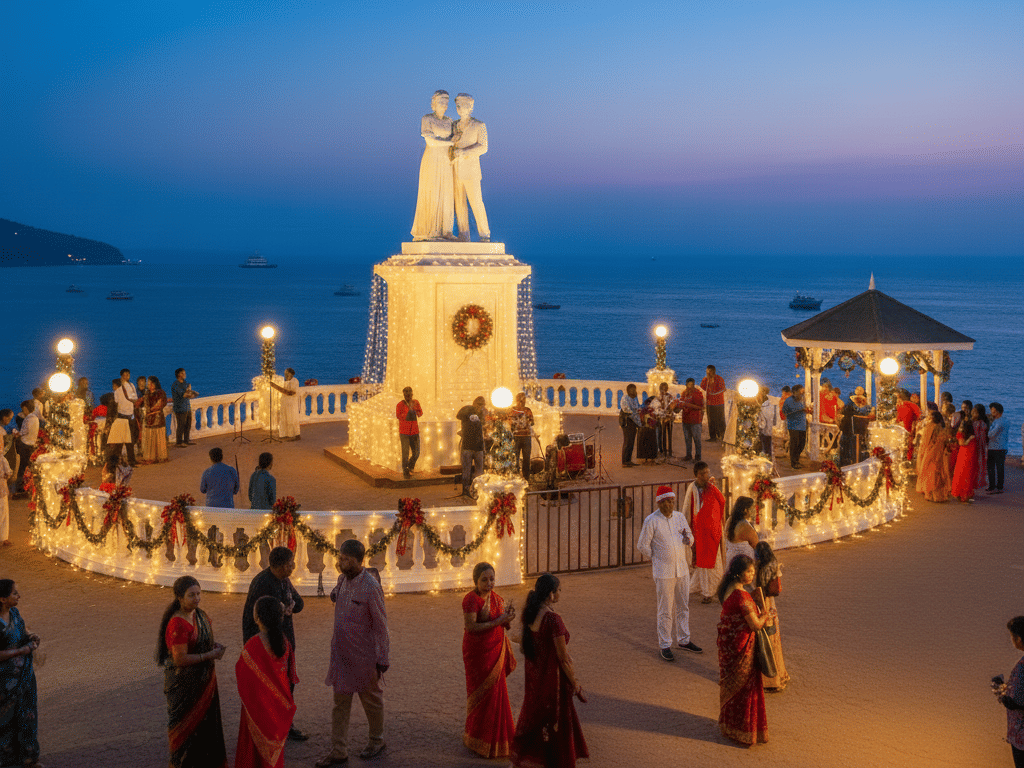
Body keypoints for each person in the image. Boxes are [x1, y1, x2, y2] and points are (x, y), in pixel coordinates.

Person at [318, 539, 389, 767]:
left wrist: (383, 658)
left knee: (371, 701)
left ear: (360, 561)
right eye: (340, 558)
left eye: (346, 560)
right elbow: (338, 595)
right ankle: (339, 750)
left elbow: (381, 626)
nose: (341, 563)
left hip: (365, 657)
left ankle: (376, 740)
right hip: (340, 654)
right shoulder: (342, 580)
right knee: (340, 704)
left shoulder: (371, 587)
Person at [510, 574, 588, 768]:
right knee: (554, 720)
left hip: (534, 676)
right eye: (559, 590)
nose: (560, 593)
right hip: (552, 679)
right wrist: (576, 685)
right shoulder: (553, 620)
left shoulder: (531, 612)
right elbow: (562, 658)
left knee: (534, 716)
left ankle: (529, 758)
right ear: (551, 594)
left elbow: (526, 641)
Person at [156, 575, 228, 768]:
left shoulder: (200, 615)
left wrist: (213, 646)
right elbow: (179, 659)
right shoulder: (177, 623)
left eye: (198, 594)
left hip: (204, 681)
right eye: (191, 595)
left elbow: (199, 641)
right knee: (186, 729)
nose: (196, 598)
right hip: (185, 684)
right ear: (180, 598)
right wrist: (209, 655)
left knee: (205, 727)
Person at [242, 546, 306, 743]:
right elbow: (264, 617)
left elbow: (299, 603)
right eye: (289, 564)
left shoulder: (283, 580)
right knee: (272, 687)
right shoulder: (263, 584)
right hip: (268, 646)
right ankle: (272, 727)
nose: (293, 567)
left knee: (286, 685)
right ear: (278, 566)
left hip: (283, 643)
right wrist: (283, 611)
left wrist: (289, 607)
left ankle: (285, 724)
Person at [636, 486, 701, 660]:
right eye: (667, 502)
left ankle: (684, 639)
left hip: (682, 569)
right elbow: (642, 545)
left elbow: (690, 535)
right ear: (660, 503)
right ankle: (665, 644)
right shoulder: (651, 521)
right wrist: (657, 556)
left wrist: (689, 540)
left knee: (683, 606)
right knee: (665, 609)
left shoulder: (679, 517)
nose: (671, 505)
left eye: (672, 501)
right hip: (664, 572)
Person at [462, 562, 517, 758]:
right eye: (484, 580)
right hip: (477, 653)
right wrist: (498, 621)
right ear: (476, 581)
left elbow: (503, 626)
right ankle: (478, 738)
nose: (489, 583)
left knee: (496, 693)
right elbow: (471, 627)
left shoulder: (497, 599)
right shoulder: (470, 600)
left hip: (495, 650)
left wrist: (507, 619)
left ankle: (497, 740)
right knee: (481, 694)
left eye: (492, 579)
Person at [716, 555, 772, 746]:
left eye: (753, 571)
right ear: (739, 572)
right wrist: (765, 614)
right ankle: (743, 730)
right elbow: (755, 626)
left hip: (728, 647)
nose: (752, 574)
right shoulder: (742, 596)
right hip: (742, 648)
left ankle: (729, 726)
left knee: (730, 687)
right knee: (745, 689)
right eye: (749, 571)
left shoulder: (727, 590)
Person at [236, 596, 297, 768]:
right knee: (274, 754)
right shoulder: (285, 643)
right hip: (279, 707)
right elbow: (290, 675)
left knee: (254, 752)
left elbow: (242, 677)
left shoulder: (252, 646)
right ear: (281, 617)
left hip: (257, 709)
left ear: (256, 618)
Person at [0, 579, 41, 768]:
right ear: (2, 599)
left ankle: (28, 758)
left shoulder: (14, 613)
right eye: (14, 593)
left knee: (27, 715)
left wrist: (30, 637)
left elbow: (21, 632)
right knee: (6, 721)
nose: (18, 596)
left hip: (23, 676)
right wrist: (20, 651)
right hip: (5, 681)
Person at [411, 90, 455, 241]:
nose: (444, 104)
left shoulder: (450, 121)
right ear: (434, 103)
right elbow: (430, 141)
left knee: (447, 194)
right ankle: (431, 231)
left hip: (446, 160)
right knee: (433, 192)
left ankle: (446, 230)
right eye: (441, 101)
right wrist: (450, 142)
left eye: (446, 101)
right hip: (432, 159)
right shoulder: (427, 119)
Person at [682, 462, 727, 604]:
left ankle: (705, 589)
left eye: (707, 473)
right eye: (702, 474)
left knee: (711, 563)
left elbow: (721, 503)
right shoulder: (692, 489)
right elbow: (687, 509)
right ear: (696, 475)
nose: (705, 476)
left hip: (713, 532)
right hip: (699, 533)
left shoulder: (713, 488)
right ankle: (707, 592)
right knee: (703, 563)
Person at [451, 93, 491, 242]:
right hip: (455, 169)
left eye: (463, 104)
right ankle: (463, 234)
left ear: (471, 107)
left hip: (471, 169)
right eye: (458, 105)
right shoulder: (453, 126)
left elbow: (484, 147)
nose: (460, 108)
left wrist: (464, 152)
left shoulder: (479, 125)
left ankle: (484, 234)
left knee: (476, 202)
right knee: (459, 204)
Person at [754, 541, 789, 692]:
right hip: (772, 604)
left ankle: (769, 681)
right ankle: (780, 675)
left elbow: (758, 588)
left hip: (763, 604)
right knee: (774, 641)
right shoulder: (774, 564)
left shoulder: (760, 568)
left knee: (765, 642)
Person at [994, 615, 1024, 767]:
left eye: (1012, 636)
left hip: (1021, 735)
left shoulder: (1022, 666)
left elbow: (1018, 701)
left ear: (1018, 639)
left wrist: (1010, 702)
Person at [915, 411, 951, 503]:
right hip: (938, 452)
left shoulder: (930, 426)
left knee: (929, 471)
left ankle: (929, 494)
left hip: (931, 451)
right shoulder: (942, 427)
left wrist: (922, 453)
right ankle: (936, 495)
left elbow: (925, 441)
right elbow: (944, 440)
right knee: (936, 472)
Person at [457, 396, 487, 498]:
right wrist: (471, 411)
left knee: (479, 471)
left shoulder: (483, 413)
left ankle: (476, 491)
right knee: (466, 470)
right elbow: (458, 416)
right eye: (479, 404)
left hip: (478, 446)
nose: (480, 406)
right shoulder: (467, 409)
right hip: (467, 446)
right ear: (474, 403)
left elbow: (485, 424)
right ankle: (465, 490)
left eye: (482, 404)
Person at [12, 401, 39, 495]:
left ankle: (20, 488)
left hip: (25, 445)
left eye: (24, 409)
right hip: (32, 445)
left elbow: (22, 432)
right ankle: (29, 486)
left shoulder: (28, 418)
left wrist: (14, 432)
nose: (23, 411)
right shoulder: (35, 418)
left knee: (22, 467)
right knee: (29, 467)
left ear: (26, 409)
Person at [781, 384, 811, 469]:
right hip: (793, 425)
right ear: (795, 392)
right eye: (801, 392)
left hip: (802, 425)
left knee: (802, 444)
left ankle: (797, 459)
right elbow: (784, 412)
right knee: (794, 444)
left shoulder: (802, 400)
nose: (802, 394)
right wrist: (798, 411)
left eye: (803, 392)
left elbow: (803, 410)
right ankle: (794, 462)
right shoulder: (788, 400)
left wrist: (807, 411)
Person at [113, 372, 139, 466]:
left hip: (126, 415)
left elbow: (116, 401)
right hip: (125, 415)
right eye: (124, 375)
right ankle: (128, 461)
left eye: (127, 375)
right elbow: (134, 398)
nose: (126, 377)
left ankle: (125, 461)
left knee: (127, 439)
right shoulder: (122, 389)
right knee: (126, 439)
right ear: (121, 376)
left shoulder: (130, 386)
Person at [396, 387, 422, 479]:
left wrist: (415, 409)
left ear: (412, 393)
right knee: (405, 453)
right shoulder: (400, 404)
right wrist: (407, 413)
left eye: (409, 392)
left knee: (417, 453)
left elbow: (420, 413)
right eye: (406, 392)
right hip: (404, 432)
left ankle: (410, 466)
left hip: (415, 432)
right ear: (403, 394)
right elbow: (398, 416)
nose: (408, 394)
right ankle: (405, 471)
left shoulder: (416, 402)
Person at [725, 496, 759, 566]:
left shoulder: (730, 520)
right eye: (752, 508)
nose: (755, 511)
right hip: (742, 563)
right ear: (746, 510)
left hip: (729, 558)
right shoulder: (745, 526)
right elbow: (756, 545)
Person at [142, 375, 169, 464]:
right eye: (148, 383)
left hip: (158, 417)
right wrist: (153, 409)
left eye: (151, 383)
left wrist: (153, 409)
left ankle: (161, 456)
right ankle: (151, 457)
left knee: (159, 437)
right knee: (150, 438)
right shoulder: (147, 394)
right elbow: (147, 406)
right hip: (150, 418)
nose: (149, 385)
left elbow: (162, 403)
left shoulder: (161, 393)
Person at [268, 368, 300, 440]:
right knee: (284, 418)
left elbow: (290, 393)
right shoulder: (285, 381)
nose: (285, 374)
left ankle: (294, 435)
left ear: (290, 374)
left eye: (287, 373)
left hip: (291, 403)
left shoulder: (294, 381)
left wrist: (275, 386)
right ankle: (285, 434)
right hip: (285, 402)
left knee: (291, 419)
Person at [951, 419, 978, 503]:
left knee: (965, 473)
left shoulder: (969, 435)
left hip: (967, 456)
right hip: (965, 456)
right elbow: (962, 443)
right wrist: (969, 439)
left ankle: (964, 493)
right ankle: (963, 493)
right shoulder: (963, 434)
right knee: (964, 473)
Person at [510, 392, 534, 481]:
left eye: (524, 400)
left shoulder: (527, 410)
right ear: (517, 400)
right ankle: (516, 477)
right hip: (516, 437)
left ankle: (526, 477)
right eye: (522, 399)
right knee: (515, 458)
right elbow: (511, 423)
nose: (523, 401)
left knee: (526, 458)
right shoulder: (513, 410)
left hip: (526, 437)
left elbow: (532, 422)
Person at [679, 377, 704, 462]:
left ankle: (698, 456)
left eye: (692, 385)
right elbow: (681, 403)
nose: (690, 386)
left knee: (697, 439)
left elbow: (701, 407)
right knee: (687, 439)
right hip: (686, 419)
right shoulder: (684, 393)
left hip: (695, 420)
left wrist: (689, 405)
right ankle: (688, 455)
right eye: (689, 385)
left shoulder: (698, 393)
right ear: (686, 385)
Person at [171, 368, 198, 447]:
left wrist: (191, 392)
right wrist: (189, 391)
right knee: (181, 425)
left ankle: (186, 440)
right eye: (183, 373)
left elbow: (189, 394)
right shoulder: (175, 385)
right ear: (179, 375)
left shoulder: (185, 383)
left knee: (188, 425)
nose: (185, 374)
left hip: (187, 407)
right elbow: (184, 394)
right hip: (179, 408)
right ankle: (179, 442)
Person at [701, 365, 727, 442]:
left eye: (709, 372)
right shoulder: (706, 379)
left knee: (720, 420)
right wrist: (706, 379)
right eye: (707, 372)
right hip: (710, 403)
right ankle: (713, 437)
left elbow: (723, 389)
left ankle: (722, 436)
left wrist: (714, 393)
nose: (708, 373)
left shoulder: (719, 379)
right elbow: (702, 386)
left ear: (713, 371)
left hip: (719, 403)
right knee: (711, 421)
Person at [987, 403, 1008, 494]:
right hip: (999, 447)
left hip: (997, 447)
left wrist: (989, 427)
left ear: (998, 412)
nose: (992, 413)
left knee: (994, 467)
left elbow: (991, 434)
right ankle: (997, 486)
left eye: (993, 411)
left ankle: (995, 486)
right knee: (998, 467)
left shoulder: (999, 422)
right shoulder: (1004, 421)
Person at [896, 389, 922, 461]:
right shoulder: (901, 406)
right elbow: (899, 418)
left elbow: (919, 416)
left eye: (898, 398)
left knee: (908, 446)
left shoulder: (908, 406)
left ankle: (908, 460)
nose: (897, 400)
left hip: (909, 431)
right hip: (905, 430)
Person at [619, 383, 641, 467]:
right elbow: (626, 409)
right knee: (627, 441)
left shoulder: (635, 398)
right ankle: (624, 461)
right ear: (628, 390)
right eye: (632, 389)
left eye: (634, 389)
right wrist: (636, 412)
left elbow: (637, 406)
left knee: (632, 441)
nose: (634, 391)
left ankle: (629, 460)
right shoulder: (625, 398)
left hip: (633, 421)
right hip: (627, 421)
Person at [636, 396, 659, 465]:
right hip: (648, 428)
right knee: (651, 443)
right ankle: (650, 459)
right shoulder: (649, 410)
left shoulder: (646, 409)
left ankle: (646, 459)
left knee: (647, 444)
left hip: (646, 428)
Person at [655, 381, 675, 458]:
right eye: (662, 388)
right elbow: (656, 408)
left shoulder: (669, 397)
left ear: (667, 389)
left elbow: (672, 407)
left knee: (669, 435)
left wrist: (668, 414)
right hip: (660, 419)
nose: (663, 390)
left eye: (665, 388)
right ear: (660, 389)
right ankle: (661, 450)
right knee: (660, 435)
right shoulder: (658, 397)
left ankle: (669, 451)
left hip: (668, 418)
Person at [972, 404, 990, 492]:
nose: (973, 414)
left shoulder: (981, 424)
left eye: (975, 412)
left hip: (978, 447)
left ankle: (978, 482)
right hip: (975, 446)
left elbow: (982, 439)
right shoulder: (974, 422)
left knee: (979, 465)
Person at [758, 386, 777, 459]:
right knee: (766, 446)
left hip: (765, 429)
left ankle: (767, 460)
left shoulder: (766, 404)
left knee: (766, 446)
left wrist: (761, 425)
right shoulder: (766, 402)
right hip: (765, 429)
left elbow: (767, 417)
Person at [0, 449, 12, 545]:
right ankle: (4, 538)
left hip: (2, 489)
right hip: (2, 489)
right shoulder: (2, 459)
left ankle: (4, 538)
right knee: (3, 513)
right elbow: (8, 472)